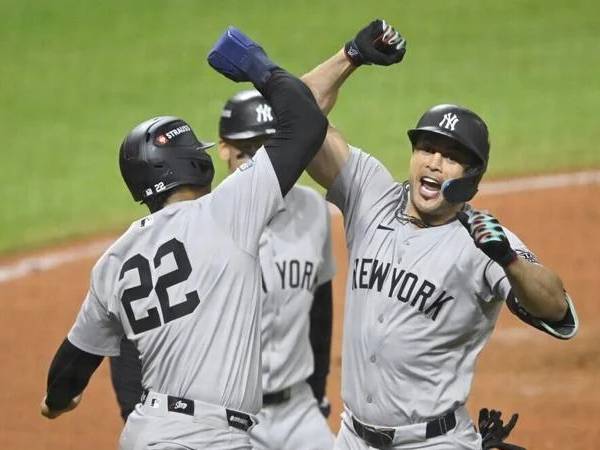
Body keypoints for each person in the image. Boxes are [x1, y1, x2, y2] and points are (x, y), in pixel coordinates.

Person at [39, 26, 329, 450]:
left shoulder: (115, 260)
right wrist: (257, 67)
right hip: (212, 438)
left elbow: (73, 363)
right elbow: (305, 123)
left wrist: (56, 402)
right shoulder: (229, 208)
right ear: (195, 162)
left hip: (147, 432)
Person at [300, 19, 578, 449]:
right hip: (351, 437)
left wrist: (508, 259)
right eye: (426, 148)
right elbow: (298, 116)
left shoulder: (486, 240)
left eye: (451, 157)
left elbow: (557, 310)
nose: (433, 162)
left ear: (472, 177)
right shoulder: (368, 192)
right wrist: (350, 56)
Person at [109, 89, 337, 449]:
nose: (261, 159)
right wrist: (135, 413)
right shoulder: (202, 224)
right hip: (227, 420)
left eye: (270, 146)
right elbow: (135, 331)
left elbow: (320, 308)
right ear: (224, 149)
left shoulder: (313, 210)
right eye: (249, 149)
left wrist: (318, 392)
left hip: (299, 411)